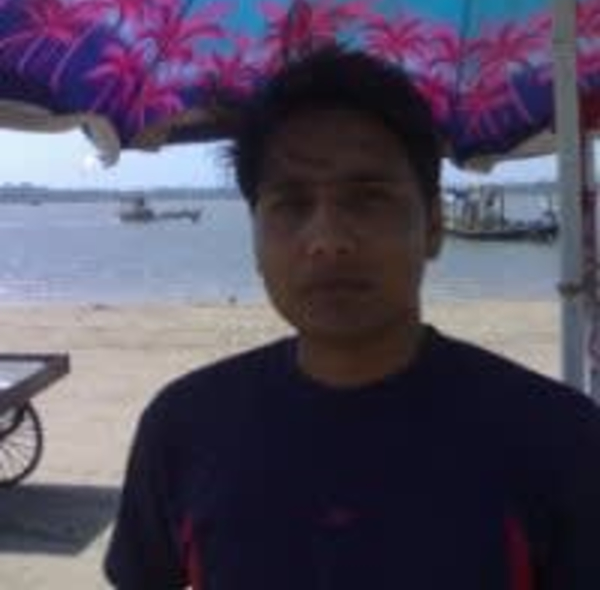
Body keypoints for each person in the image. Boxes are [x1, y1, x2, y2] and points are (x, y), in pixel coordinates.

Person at [104, 45, 600, 589]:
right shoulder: (183, 430)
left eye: (367, 199)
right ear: (255, 235)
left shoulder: (559, 441)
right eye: (292, 204)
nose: (327, 240)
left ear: (434, 225)